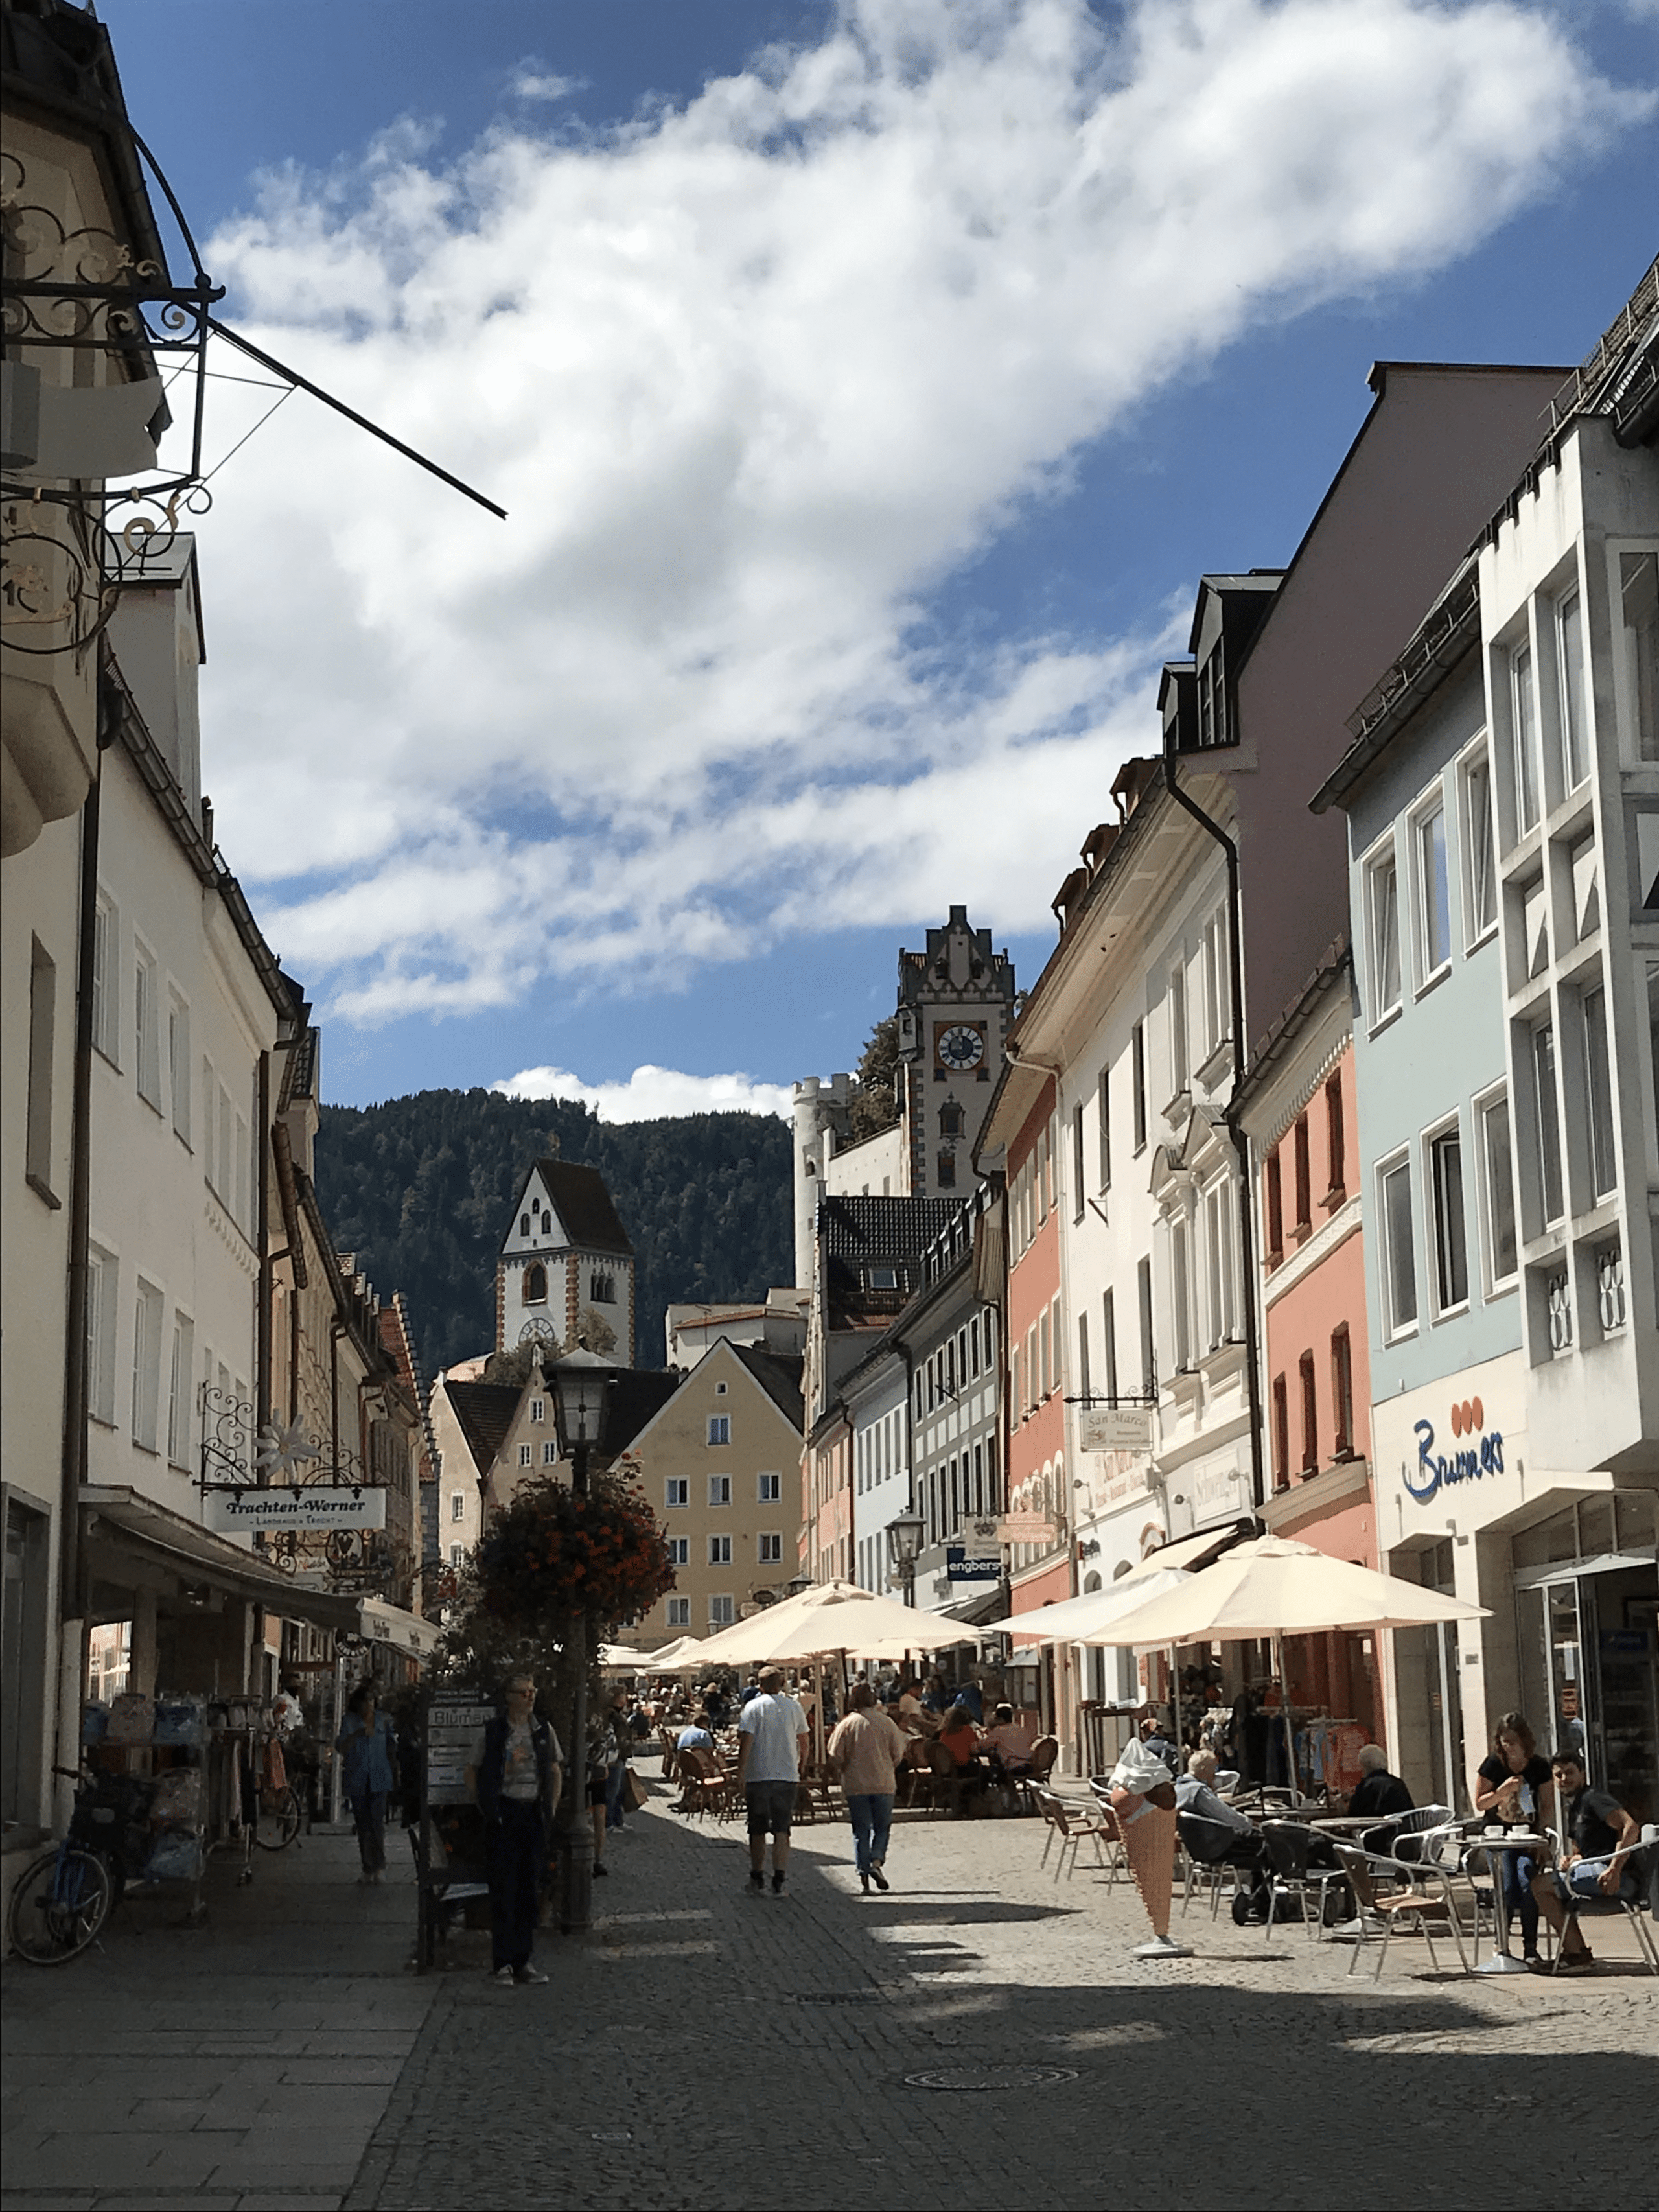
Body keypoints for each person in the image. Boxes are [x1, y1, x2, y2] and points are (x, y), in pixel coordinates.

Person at [467, 1673, 563, 1986]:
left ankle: (524, 1960)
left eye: (533, 1691)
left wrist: (550, 1807)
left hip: (532, 1812)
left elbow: (554, 1768)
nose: (530, 1697)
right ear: (509, 1697)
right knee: (503, 1888)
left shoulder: (543, 1730)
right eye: (523, 1692)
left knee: (528, 1889)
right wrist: (485, 1805)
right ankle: (502, 1963)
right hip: (504, 1813)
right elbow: (473, 1769)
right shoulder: (493, 1731)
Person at [1527, 1750, 1643, 1974]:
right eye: (1558, 1775)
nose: (1564, 1779)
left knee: (1540, 1886)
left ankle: (1575, 1955)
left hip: (1619, 1878)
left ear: (1583, 1774)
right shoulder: (1575, 1806)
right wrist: (1571, 1860)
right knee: (1550, 1886)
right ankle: (1576, 1953)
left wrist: (1615, 1869)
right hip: (1596, 1869)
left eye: (1570, 1773)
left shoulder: (1594, 1798)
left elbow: (1630, 1827)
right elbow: (1583, 1851)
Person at [1473, 1712, 1555, 1964]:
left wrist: (1542, 1838)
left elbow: (1547, 1805)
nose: (1509, 1746)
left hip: (1528, 1837)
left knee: (1529, 1882)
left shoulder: (1538, 1766)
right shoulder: (1493, 1765)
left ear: (1524, 1740)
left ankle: (1531, 1947)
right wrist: (1501, 1792)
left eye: (1514, 1741)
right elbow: (1480, 1803)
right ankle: (1502, 1943)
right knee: (1507, 1887)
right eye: (1504, 1741)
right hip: (1499, 1839)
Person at [827, 1682, 910, 1892]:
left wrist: (844, 1768)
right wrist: (887, 1765)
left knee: (861, 1831)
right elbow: (898, 1753)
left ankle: (864, 1875)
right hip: (883, 1783)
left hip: (856, 1785)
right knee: (882, 1827)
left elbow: (835, 1754)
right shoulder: (887, 1722)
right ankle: (876, 1861)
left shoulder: (847, 1724)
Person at [735, 1664, 810, 1895]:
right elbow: (805, 1739)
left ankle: (757, 1876)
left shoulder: (753, 1707)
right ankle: (779, 1879)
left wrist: (741, 1771)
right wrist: (801, 1764)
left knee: (757, 1829)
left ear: (759, 1685)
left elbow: (746, 1742)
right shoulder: (794, 1706)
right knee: (782, 1829)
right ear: (782, 1684)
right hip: (786, 1775)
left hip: (759, 1775)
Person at [1175, 1749, 1271, 1918]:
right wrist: (1252, 1824)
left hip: (1199, 1848)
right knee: (1269, 1845)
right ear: (1204, 1770)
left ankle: (1259, 1899)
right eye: (1213, 1770)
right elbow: (1227, 1816)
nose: (1215, 1776)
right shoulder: (1198, 1791)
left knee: (1261, 1848)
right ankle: (1264, 1901)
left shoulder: (1179, 1789)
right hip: (1219, 1846)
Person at [335, 1683, 398, 1885]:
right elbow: (341, 1747)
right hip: (358, 1778)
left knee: (377, 1823)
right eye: (366, 1700)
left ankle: (380, 1865)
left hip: (380, 1777)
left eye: (372, 1700)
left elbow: (391, 1746)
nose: (369, 1704)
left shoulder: (383, 1720)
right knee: (363, 1825)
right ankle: (367, 1866)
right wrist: (358, 1734)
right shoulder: (349, 1721)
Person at [1346, 1744, 1414, 1829]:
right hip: (1402, 1832)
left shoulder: (1365, 1787)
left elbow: (1354, 1817)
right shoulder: (1398, 1784)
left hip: (1375, 1833)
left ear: (1365, 1765)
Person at [603, 1683, 633, 1837]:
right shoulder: (611, 1716)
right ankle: (608, 1823)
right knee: (612, 1793)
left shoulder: (619, 1714)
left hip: (621, 1757)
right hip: (614, 1759)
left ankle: (618, 1820)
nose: (625, 1699)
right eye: (623, 1696)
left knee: (619, 1792)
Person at [982, 1704, 1037, 1773]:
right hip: (1028, 1764)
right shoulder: (1020, 1729)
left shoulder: (999, 1730)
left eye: (996, 1719)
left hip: (1013, 1766)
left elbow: (984, 1745)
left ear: (1001, 1719)